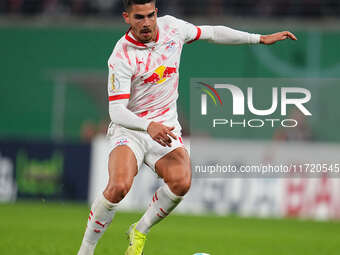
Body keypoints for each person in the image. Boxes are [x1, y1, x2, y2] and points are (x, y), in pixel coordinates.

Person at [77, 0, 297, 254]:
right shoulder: (121, 55)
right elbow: (116, 111)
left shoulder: (173, 29)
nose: (146, 22)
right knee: (119, 187)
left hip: (166, 129)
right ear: (126, 17)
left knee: (181, 182)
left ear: (156, 13)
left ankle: (139, 230)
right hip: (133, 130)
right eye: (139, 17)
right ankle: (86, 250)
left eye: (150, 15)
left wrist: (259, 38)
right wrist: (148, 126)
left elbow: (213, 33)